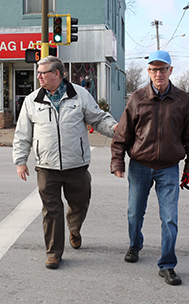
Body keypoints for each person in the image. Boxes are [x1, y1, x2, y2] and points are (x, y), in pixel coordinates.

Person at [13, 55, 118, 269]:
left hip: (76, 165)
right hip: (46, 167)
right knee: (51, 211)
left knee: (80, 203)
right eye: (38, 73)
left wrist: (115, 129)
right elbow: (22, 133)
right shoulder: (31, 100)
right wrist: (20, 160)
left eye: (43, 73)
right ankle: (53, 253)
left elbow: (97, 119)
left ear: (57, 74)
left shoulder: (80, 95)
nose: (39, 77)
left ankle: (74, 228)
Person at [110, 50, 189, 285]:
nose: (158, 73)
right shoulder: (138, 98)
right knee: (134, 213)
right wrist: (117, 161)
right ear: (148, 71)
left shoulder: (182, 100)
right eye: (153, 69)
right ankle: (135, 244)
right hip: (140, 165)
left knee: (169, 218)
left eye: (162, 69)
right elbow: (123, 133)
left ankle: (167, 265)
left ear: (170, 70)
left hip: (169, 168)